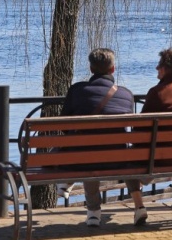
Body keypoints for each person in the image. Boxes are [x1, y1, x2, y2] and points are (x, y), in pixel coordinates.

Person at [61, 48, 147, 227]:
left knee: (87, 150)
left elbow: (64, 126)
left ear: (91, 69)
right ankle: (139, 207)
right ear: (113, 69)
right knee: (123, 153)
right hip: (118, 160)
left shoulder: (76, 90)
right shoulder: (126, 94)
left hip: (83, 159)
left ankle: (93, 213)